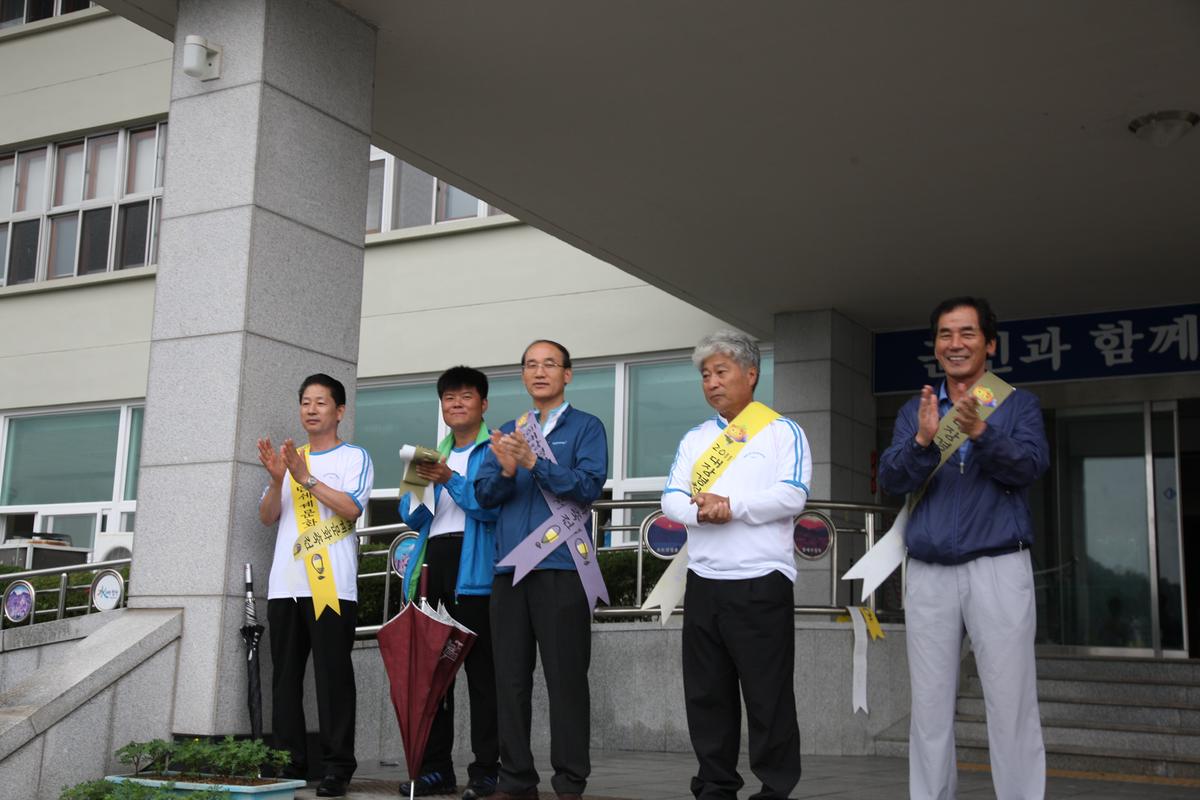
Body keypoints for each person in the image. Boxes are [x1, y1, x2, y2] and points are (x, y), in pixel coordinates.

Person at [878, 296, 1049, 800]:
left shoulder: (1017, 404)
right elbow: (891, 478)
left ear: (989, 344)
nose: (955, 344)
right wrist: (923, 442)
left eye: (967, 333)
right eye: (946, 335)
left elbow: (1029, 468)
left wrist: (982, 433)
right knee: (929, 707)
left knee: (1011, 702)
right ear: (936, 345)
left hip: (999, 565)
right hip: (929, 571)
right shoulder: (918, 409)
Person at [660, 330, 811, 800]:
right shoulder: (696, 439)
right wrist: (703, 511)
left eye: (721, 371)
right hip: (704, 581)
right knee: (707, 694)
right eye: (705, 375)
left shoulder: (782, 431)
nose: (711, 382)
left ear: (751, 374)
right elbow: (671, 501)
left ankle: (776, 785)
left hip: (761, 581)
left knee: (767, 693)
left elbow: (792, 495)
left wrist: (733, 505)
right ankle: (715, 782)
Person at [475, 340, 608, 800]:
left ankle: (570, 782)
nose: (540, 372)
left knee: (565, 678)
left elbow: (589, 486)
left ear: (567, 374)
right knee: (509, 681)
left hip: (561, 570)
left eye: (549, 364)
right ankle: (515, 780)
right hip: (509, 573)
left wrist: (536, 464)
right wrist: (508, 469)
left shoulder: (587, 427)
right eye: (531, 365)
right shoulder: (511, 430)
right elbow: (485, 497)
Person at [257, 373, 374, 799]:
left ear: (339, 411)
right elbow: (268, 517)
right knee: (285, 678)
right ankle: (288, 763)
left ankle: (337, 767)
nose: (311, 409)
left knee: (333, 677)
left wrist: (305, 478)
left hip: (332, 588)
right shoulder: (290, 458)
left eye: (321, 402)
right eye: (305, 401)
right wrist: (276, 480)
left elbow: (351, 510)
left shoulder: (353, 457)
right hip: (286, 585)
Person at [398, 366, 500, 800]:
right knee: (434, 677)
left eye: (466, 397)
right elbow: (411, 515)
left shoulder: (495, 450)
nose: (456, 404)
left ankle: (487, 771)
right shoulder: (428, 454)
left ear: (483, 404)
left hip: (475, 567)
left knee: (484, 676)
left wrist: (451, 481)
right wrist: (426, 486)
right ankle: (436, 769)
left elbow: (490, 506)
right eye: (449, 398)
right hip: (434, 563)